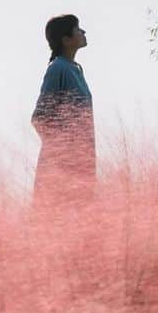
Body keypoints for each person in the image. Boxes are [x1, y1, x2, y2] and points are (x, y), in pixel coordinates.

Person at [31, 14, 96, 209]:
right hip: (62, 170)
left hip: (82, 165)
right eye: (78, 29)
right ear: (66, 39)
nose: (83, 32)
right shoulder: (58, 69)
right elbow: (39, 118)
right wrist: (64, 154)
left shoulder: (75, 69)